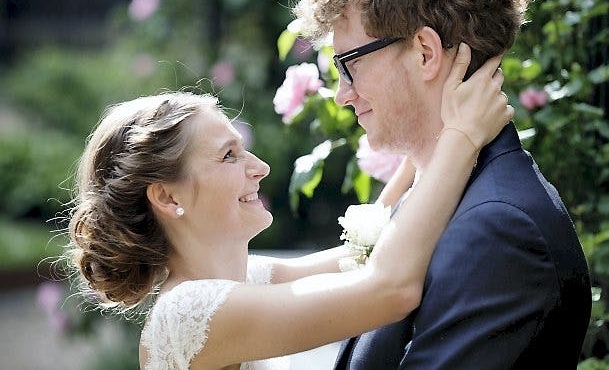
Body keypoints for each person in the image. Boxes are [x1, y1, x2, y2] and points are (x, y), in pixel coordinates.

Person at [63, 44, 510, 370]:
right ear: (167, 196)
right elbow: (388, 289)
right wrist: (462, 137)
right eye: (229, 156)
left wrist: (427, 137)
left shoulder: (240, 280)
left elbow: (365, 251)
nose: (259, 167)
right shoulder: (189, 313)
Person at [293, 0, 591, 368]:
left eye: (349, 65)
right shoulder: (439, 197)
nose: (342, 95)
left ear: (425, 53)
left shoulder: (499, 230)